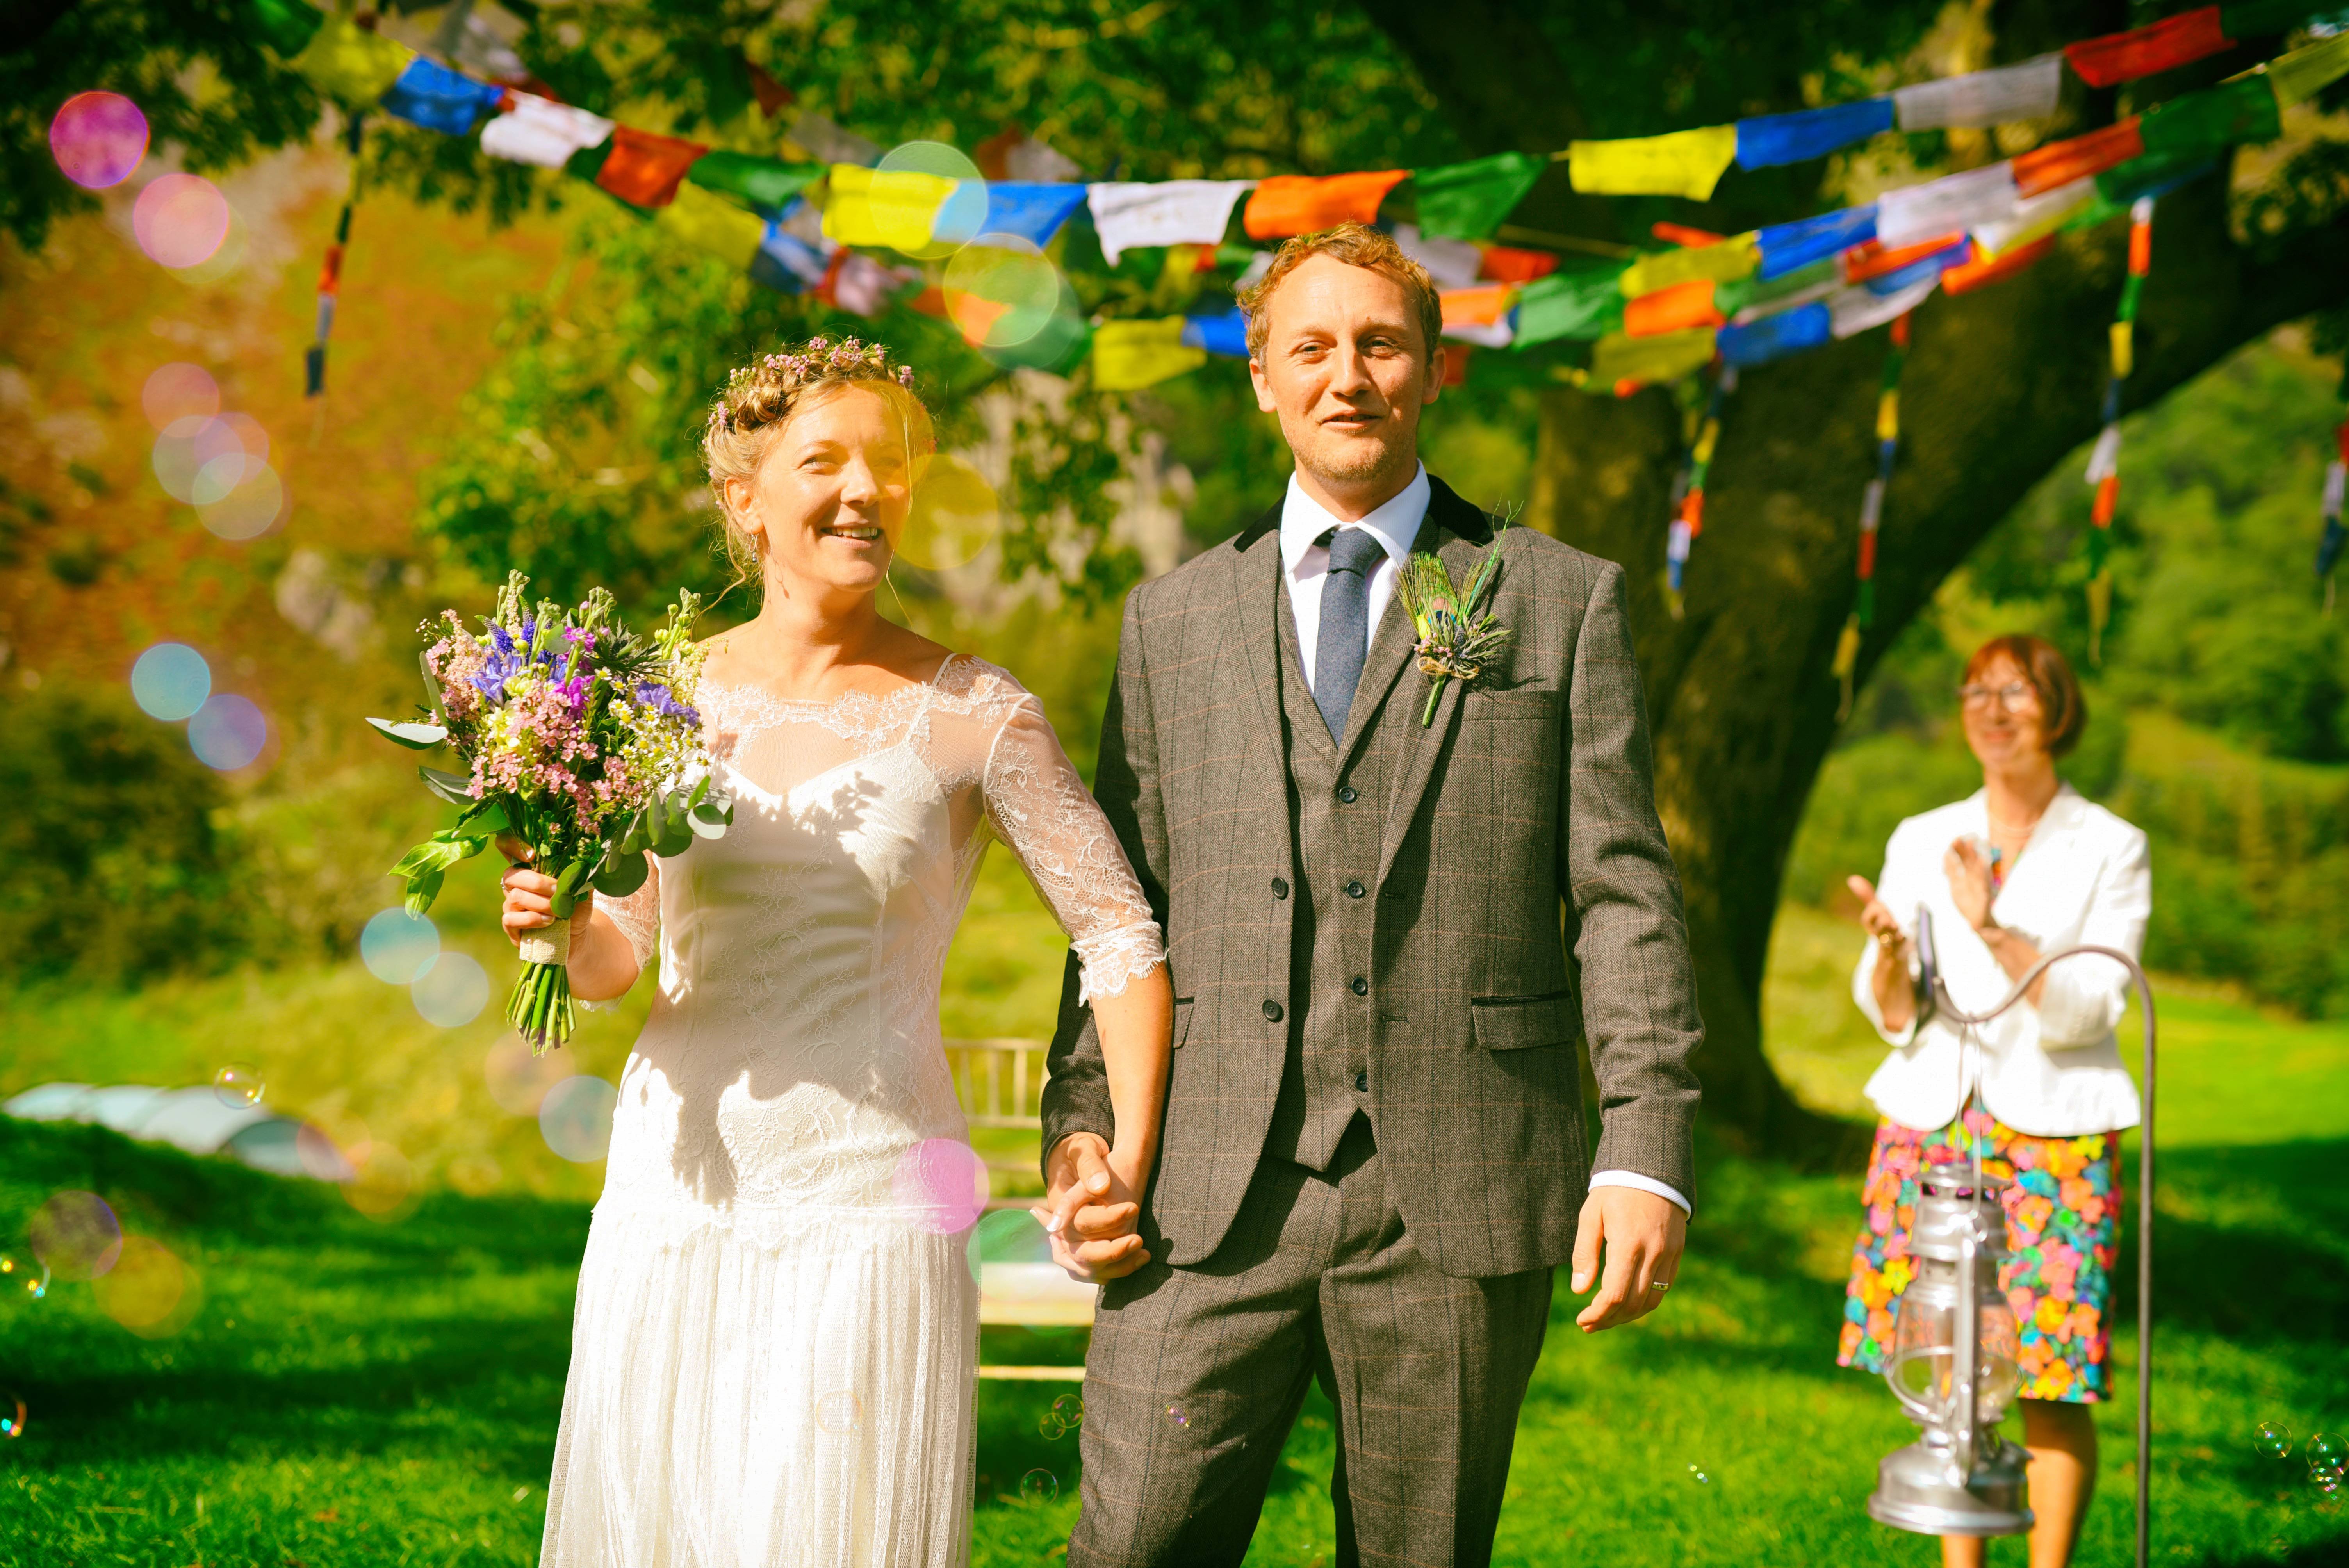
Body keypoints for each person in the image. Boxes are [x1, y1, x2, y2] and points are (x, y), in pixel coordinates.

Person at [1035, 223, 1704, 1568]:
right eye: (1312, 347)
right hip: (1202, 1186)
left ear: (1432, 372)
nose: (1348, 374)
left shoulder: (1556, 601)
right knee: (1135, 1542)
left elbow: (1621, 893)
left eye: (1380, 344)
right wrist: (1084, 1132)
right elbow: (1117, 911)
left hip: (1459, 1179)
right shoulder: (1169, 619)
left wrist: (1641, 1149)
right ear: (1263, 381)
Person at [498, 338, 1174, 1568]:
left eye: (892, 465)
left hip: (873, 1204)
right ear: (744, 500)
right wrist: (562, 929)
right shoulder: (658, 699)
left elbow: (1120, 937)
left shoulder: (978, 714)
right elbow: (626, 954)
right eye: (826, 462)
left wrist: (1124, 1161)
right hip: (674, 1188)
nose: (866, 490)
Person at [1842, 634, 2149, 1568]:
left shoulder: (2110, 845)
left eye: (2012, 691)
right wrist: (1892, 955)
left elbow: (2088, 1007)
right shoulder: (1920, 834)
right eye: (1976, 691)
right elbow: (1890, 1013)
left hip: (2053, 1134)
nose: (1991, 708)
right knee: (1948, 1374)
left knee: (2052, 1377)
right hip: (1933, 1127)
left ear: (2055, 708)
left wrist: (1987, 923)